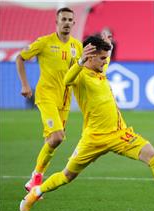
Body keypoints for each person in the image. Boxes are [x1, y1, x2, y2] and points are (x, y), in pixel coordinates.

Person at [19, 36, 154, 211]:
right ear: (90, 57)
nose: (106, 61)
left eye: (106, 58)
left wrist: (107, 43)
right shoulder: (80, 76)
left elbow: (105, 56)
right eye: (102, 58)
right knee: (67, 176)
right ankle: (37, 191)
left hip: (120, 134)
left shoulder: (100, 68)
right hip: (93, 138)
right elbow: (66, 80)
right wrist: (80, 61)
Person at [16, 7, 95, 192]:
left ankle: (34, 181)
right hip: (46, 96)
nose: (67, 23)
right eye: (63, 19)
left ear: (74, 23)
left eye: (70, 20)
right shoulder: (44, 42)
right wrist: (25, 85)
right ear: (57, 22)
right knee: (58, 137)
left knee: (52, 141)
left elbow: (80, 71)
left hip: (65, 100)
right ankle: (36, 178)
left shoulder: (77, 46)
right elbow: (20, 58)